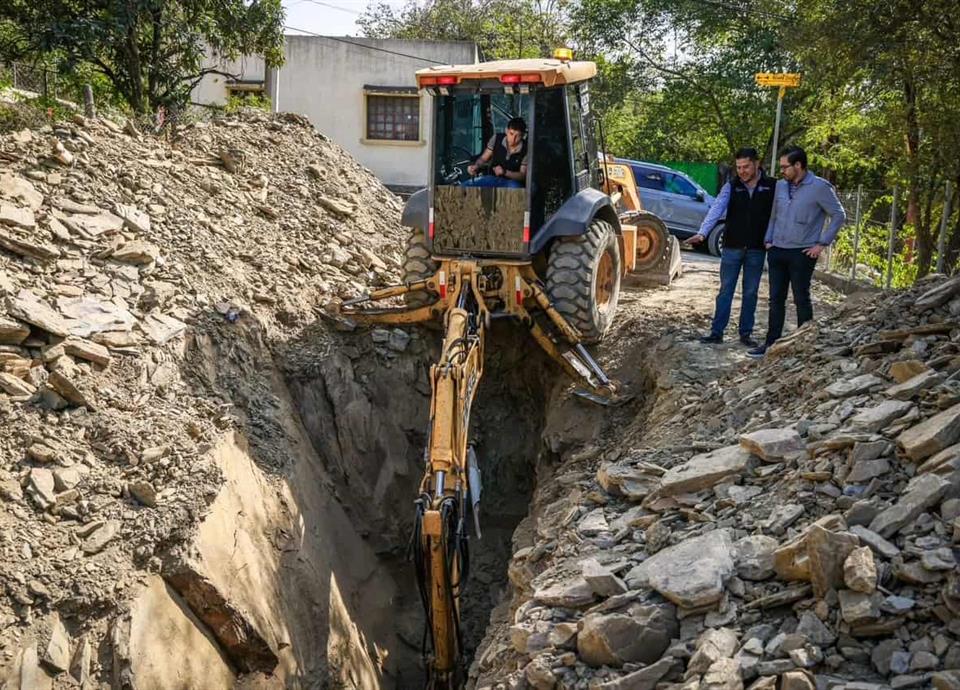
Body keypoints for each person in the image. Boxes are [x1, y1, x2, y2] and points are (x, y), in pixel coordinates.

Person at [747, 145, 846, 358]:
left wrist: (822, 244)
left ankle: (804, 345)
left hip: (802, 252)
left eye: (785, 167)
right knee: (775, 299)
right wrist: (768, 239)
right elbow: (774, 214)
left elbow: (839, 215)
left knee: (801, 298)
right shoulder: (781, 186)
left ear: (798, 165)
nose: (782, 171)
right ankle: (771, 344)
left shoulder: (819, 187)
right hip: (777, 250)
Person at [690, 147, 775, 347]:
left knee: (751, 292)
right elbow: (716, 209)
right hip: (731, 247)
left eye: (746, 167)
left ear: (757, 164)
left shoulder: (771, 186)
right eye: (739, 167)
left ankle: (746, 334)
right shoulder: (731, 186)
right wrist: (703, 233)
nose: (742, 171)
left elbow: (778, 215)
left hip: (757, 249)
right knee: (725, 290)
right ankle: (716, 332)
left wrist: (773, 239)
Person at [464, 117, 528, 188]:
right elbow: (483, 158)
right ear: (506, 130)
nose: (513, 138)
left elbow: (522, 175)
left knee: (515, 187)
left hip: (512, 182)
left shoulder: (526, 149)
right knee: (464, 186)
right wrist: (476, 166)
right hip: (492, 178)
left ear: (523, 136)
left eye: (517, 136)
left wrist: (505, 172)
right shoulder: (496, 138)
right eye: (511, 134)